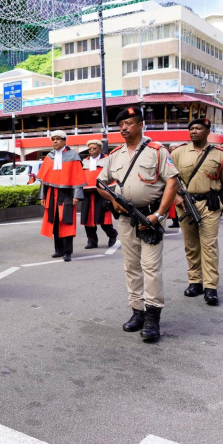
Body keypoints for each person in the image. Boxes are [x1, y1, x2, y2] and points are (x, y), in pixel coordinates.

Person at [97, 106, 178, 342]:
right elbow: (100, 183)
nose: (123, 128)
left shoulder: (156, 151)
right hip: (126, 219)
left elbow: (171, 182)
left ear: (141, 125)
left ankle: (153, 317)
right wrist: (114, 200)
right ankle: (137, 312)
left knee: (151, 267)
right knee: (131, 267)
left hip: (150, 218)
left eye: (129, 123)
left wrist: (160, 214)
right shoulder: (114, 155)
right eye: (120, 125)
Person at [171, 118, 223, 306]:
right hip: (184, 204)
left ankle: (210, 287)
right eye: (191, 129)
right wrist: (176, 196)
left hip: (210, 204)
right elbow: (168, 178)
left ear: (208, 131)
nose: (193, 131)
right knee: (191, 245)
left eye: (198, 128)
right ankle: (195, 282)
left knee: (209, 246)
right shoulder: (178, 153)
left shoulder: (219, 154)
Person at [37, 130, 85, 262]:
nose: (55, 141)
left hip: (67, 193)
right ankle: (58, 250)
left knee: (66, 221)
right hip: (52, 193)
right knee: (55, 221)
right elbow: (43, 180)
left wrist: (77, 196)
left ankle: (67, 251)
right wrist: (42, 196)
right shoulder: (49, 156)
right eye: (53, 139)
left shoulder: (73, 155)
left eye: (58, 139)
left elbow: (78, 178)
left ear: (64, 140)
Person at [81, 139, 117, 249]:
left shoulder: (106, 160)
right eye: (90, 148)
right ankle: (92, 241)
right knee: (88, 220)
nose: (91, 151)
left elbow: (112, 176)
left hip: (101, 194)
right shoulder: (84, 161)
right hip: (87, 193)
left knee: (104, 219)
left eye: (94, 148)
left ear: (100, 149)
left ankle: (112, 235)